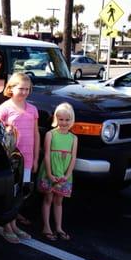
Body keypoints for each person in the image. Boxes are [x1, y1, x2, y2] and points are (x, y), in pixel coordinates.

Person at [0, 72, 40, 244]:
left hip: (26, 159)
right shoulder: (3, 109)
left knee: (20, 192)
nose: (25, 92)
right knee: (10, 192)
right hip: (10, 159)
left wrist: (35, 158)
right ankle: (7, 226)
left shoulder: (33, 109)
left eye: (28, 89)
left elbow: (35, 134)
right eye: (21, 88)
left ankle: (13, 224)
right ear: (11, 88)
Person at [37, 102, 78, 241]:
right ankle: (46, 227)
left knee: (59, 201)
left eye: (67, 120)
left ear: (71, 120)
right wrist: (49, 174)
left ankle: (59, 227)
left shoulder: (73, 138)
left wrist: (67, 175)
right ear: (56, 119)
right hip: (51, 171)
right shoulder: (50, 134)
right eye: (61, 119)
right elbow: (47, 155)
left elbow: (73, 158)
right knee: (48, 198)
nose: (64, 123)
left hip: (64, 174)